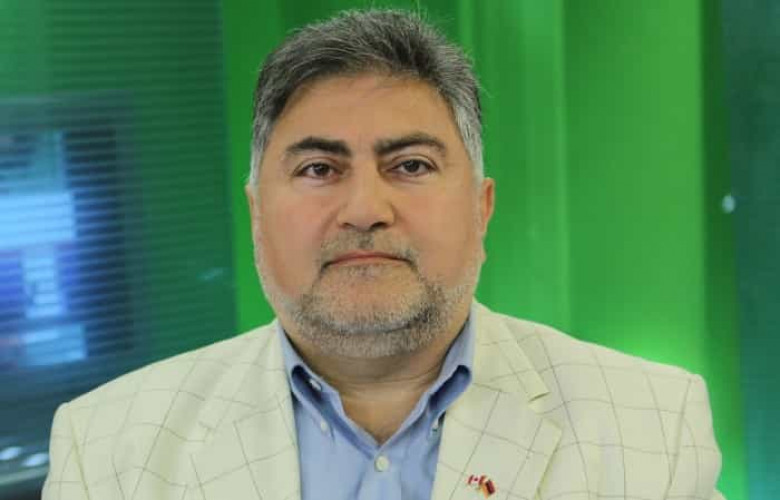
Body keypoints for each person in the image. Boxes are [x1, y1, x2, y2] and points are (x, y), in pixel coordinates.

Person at [43, 9, 725, 500]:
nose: (365, 208)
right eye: (318, 169)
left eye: (411, 165)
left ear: (481, 208)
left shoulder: (652, 427)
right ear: (256, 213)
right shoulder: (108, 449)